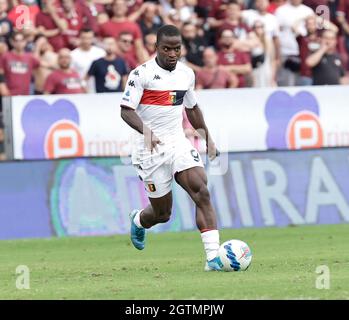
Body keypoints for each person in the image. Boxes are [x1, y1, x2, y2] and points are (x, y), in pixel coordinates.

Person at [120, 25, 232, 271]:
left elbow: (192, 108)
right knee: (162, 214)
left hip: (177, 141)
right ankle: (139, 220)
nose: (172, 54)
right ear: (156, 48)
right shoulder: (141, 74)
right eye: (167, 49)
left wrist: (208, 139)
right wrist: (147, 132)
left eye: (177, 49)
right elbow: (126, 111)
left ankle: (213, 258)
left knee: (201, 191)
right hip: (147, 148)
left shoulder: (186, 74)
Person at [0, 31, 40, 96]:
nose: (19, 43)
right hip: (8, 94)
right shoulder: (5, 56)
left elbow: (40, 67)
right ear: (12, 42)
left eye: (21, 40)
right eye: (16, 40)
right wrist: (2, 85)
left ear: (25, 41)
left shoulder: (30, 57)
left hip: (25, 95)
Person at [71, 28, 106, 93]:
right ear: (79, 38)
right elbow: (71, 74)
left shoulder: (101, 53)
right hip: (80, 91)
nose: (86, 41)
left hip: (100, 90)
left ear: (93, 39)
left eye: (89, 38)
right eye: (84, 38)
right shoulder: (73, 55)